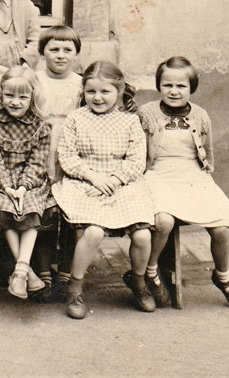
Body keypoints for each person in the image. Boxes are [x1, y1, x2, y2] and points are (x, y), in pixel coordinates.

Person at [52, 61, 155, 319]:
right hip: (85, 182)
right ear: (83, 92)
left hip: (122, 183)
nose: (97, 98)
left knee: (142, 236)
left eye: (104, 92)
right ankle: (75, 287)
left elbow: (135, 160)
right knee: (94, 232)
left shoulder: (130, 122)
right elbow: (67, 156)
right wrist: (93, 177)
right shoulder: (76, 118)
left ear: (118, 91)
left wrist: (116, 180)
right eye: (91, 92)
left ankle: (139, 281)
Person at [139, 57, 229, 309]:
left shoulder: (200, 115)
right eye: (167, 85)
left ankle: (223, 276)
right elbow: (138, 149)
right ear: (159, 86)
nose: (174, 91)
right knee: (163, 221)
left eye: (181, 86)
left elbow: (207, 150)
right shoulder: (147, 113)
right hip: (157, 174)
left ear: (191, 88)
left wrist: (206, 174)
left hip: (192, 176)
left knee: (221, 226)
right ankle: (150, 270)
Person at [0, 67, 55, 299]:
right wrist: (9, 187)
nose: (16, 102)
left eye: (23, 97)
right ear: (1, 95)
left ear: (32, 97)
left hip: (30, 182)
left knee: (28, 204)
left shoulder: (40, 126)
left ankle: (20, 272)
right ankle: (26, 273)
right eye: (10, 96)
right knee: (7, 205)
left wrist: (22, 187)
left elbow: (37, 162)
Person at [33, 24, 83, 298]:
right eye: (54, 49)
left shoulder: (80, 84)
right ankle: (43, 271)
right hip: (41, 145)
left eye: (67, 50)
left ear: (76, 54)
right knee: (45, 212)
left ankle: (65, 271)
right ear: (43, 52)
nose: (60, 55)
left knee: (72, 213)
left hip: (72, 146)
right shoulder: (35, 80)